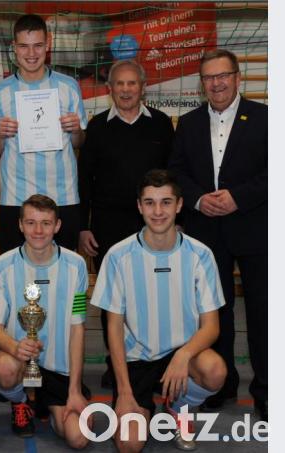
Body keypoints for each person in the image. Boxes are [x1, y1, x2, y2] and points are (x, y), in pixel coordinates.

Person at [90, 169, 227, 452]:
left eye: (166, 202)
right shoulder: (118, 256)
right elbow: (113, 328)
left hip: (182, 357)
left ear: (179, 205)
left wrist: (184, 353)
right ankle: (140, 403)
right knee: (130, 444)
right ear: (139, 207)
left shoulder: (201, 254)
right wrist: (124, 391)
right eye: (150, 202)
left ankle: (180, 408)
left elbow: (212, 326)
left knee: (214, 370)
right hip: (137, 359)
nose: (158, 211)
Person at [168, 49, 267, 420]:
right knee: (216, 314)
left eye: (223, 75)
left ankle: (267, 389)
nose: (217, 83)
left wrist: (238, 198)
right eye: (209, 77)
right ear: (202, 83)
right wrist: (196, 200)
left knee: (262, 313)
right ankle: (221, 385)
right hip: (207, 232)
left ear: (238, 77)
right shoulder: (189, 123)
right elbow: (176, 171)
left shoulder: (266, 119)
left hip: (256, 229)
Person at [77, 59, 175, 389]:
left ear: (143, 87)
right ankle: (115, 359)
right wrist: (84, 227)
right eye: (119, 84)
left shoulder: (161, 124)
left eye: (132, 83)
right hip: (107, 227)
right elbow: (84, 180)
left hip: (155, 227)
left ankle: (153, 361)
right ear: (109, 89)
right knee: (114, 301)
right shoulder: (98, 127)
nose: (126, 89)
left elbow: (173, 180)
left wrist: (179, 223)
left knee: (152, 296)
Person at [0, 194, 90, 447]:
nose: (38, 230)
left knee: (79, 437)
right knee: (5, 368)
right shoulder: (1, 266)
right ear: (20, 225)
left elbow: (78, 328)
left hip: (59, 366)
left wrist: (75, 390)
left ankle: (49, 401)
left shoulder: (77, 265)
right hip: (19, 361)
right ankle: (20, 402)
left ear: (57, 226)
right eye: (31, 222)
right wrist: (15, 346)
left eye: (46, 223)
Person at [0, 14, 87, 253]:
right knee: (17, 274)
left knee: (64, 274)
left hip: (62, 197)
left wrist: (75, 129)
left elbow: (80, 142)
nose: (31, 53)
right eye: (23, 46)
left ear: (48, 44)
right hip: (16, 199)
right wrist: (0, 134)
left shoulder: (68, 87)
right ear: (14, 48)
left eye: (37, 45)